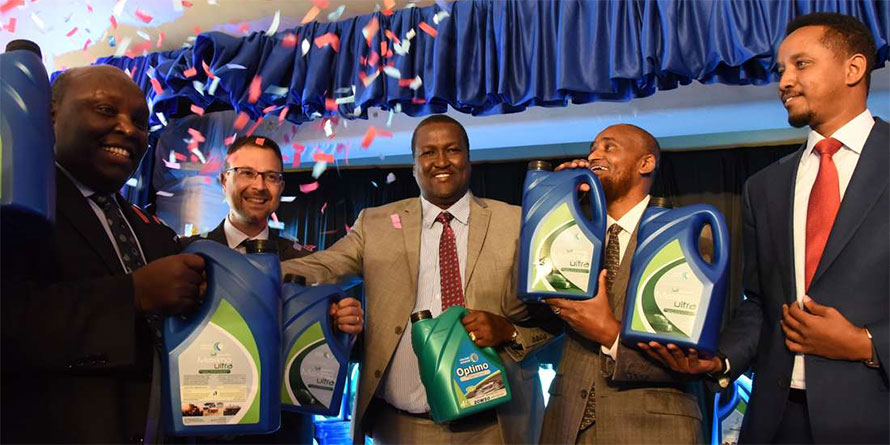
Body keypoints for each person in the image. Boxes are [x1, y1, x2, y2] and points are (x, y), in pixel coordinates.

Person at [639, 12, 888, 443]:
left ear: (853, 68)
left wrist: (867, 344)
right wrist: (721, 360)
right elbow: (759, 303)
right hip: (775, 421)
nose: (784, 81)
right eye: (781, 70)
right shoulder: (765, 186)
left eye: (801, 64)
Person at [281, 115, 554, 445]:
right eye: (428, 152)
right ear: (414, 166)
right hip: (401, 428)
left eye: (452, 150)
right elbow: (324, 267)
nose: (441, 161)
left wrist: (509, 331)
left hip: (492, 426)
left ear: (468, 159)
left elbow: (554, 314)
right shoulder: (376, 224)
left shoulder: (515, 222)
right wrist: (248, 272)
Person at [0, 65, 205, 442]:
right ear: (50, 116)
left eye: (140, 121)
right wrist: (133, 294)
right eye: (106, 110)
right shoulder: (15, 206)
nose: (128, 129)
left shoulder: (154, 232)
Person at [181, 134, 364, 443]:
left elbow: (335, 354)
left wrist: (344, 329)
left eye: (271, 177)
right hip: (203, 432)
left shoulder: (307, 261)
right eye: (247, 173)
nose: (259, 186)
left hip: (285, 434)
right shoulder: (186, 254)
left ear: (280, 187)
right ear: (224, 180)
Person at [539, 124, 704, 444]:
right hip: (566, 425)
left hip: (652, 429)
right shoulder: (571, 232)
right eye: (592, 148)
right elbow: (525, 303)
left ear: (646, 163)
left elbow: (688, 355)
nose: (593, 155)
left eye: (608, 147)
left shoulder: (686, 235)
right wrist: (555, 205)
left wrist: (610, 334)